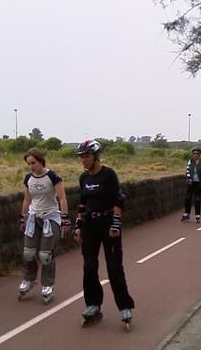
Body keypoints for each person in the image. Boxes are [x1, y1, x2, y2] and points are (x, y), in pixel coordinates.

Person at [73, 139, 135, 327]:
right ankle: (93, 304)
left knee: (114, 267)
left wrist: (115, 224)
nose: (84, 160)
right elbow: (83, 202)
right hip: (90, 224)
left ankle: (124, 306)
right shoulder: (84, 178)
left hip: (108, 223)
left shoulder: (108, 175)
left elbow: (119, 199)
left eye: (87, 156)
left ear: (96, 156)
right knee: (89, 266)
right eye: (82, 157)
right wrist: (78, 225)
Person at [18, 148, 71, 304]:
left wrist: (65, 219)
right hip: (34, 217)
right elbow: (27, 200)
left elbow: (62, 198)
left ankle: (48, 285)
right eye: (29, 164)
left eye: (33, 163)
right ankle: (29, 279)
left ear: (41, 161)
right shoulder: (28, 178)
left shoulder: (53, 177)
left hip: (51, 217)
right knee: (28, 252)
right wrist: (23, 218)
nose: (31, 166)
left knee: (45, 255)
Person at [181, 147, 201, 223]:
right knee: (187, 197)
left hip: (199, 183)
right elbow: (188, 170)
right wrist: (189, 178)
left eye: (197, 154)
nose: (195, 155)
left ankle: (197, 214)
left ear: (200, 154)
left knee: (197, 198)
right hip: (191, 182)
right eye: (194, 153)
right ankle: (187, 213)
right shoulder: (190, 161)